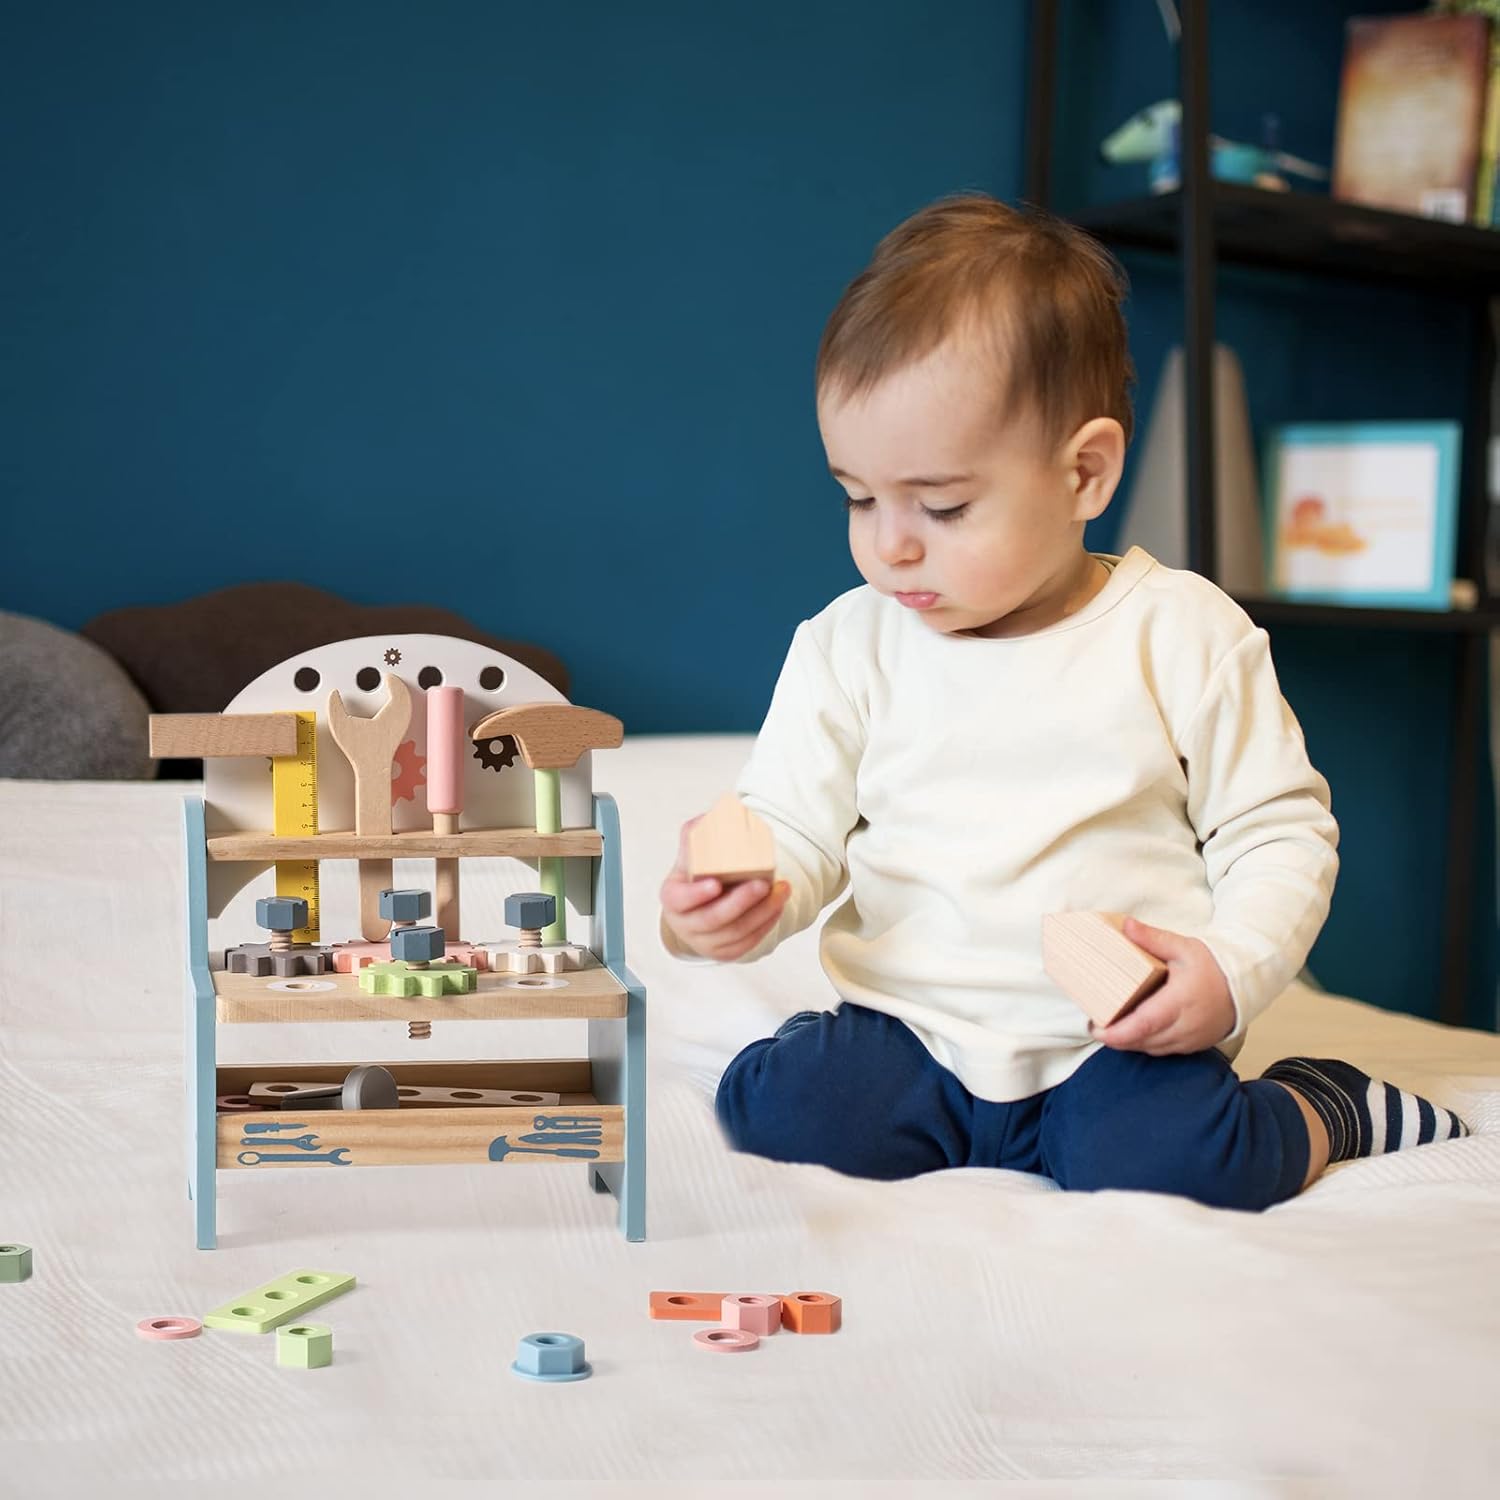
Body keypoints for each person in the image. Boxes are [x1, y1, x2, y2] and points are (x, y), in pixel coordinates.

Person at [658, 193, 1469, 1209]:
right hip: (914, 1030)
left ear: (1084, 472)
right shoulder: (848, 644)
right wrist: (736, 900)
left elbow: (1278, 835)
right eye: (857, 495)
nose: (890, 543)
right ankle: (832, 1069)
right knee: (785, 1116)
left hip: (1114, 1036)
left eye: (942, 505)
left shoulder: (1179, 633)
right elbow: (790, 824)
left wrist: (1229, 969)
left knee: (1169, 1163)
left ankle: (1322, 1106)